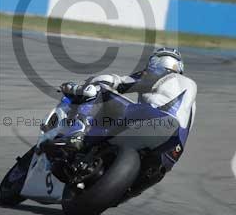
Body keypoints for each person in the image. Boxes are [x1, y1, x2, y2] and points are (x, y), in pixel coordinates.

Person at [59, 47, 197, 164]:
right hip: (172, 150)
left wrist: (81, 87)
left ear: (157, 62)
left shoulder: (157, 74)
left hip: (149, 117)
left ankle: (77, 133)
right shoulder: (192, 102)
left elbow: (115, 81)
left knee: (99, 89)